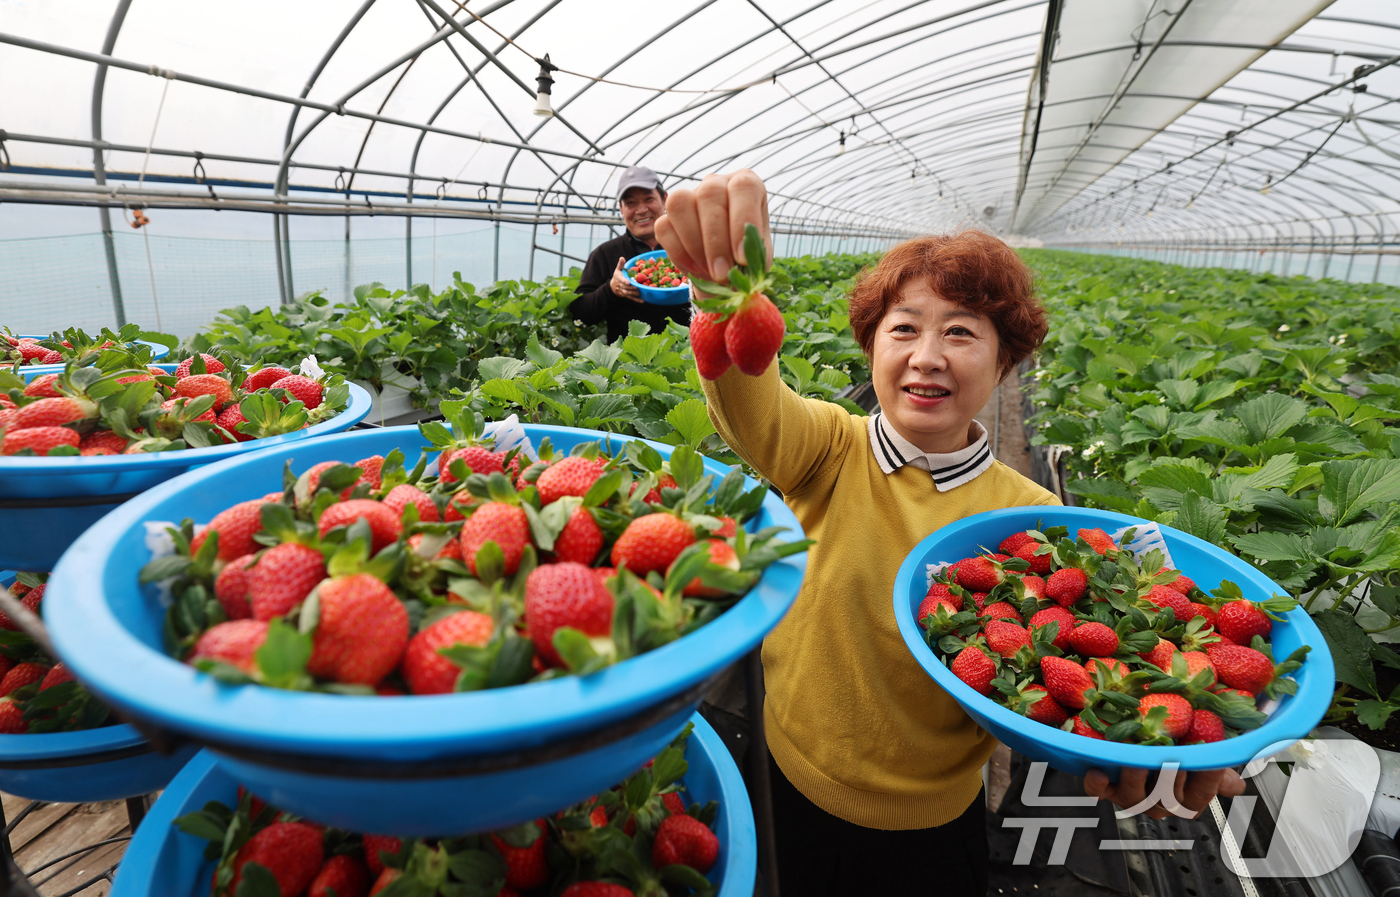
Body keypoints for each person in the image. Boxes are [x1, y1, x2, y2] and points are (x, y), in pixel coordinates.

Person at [654, 170, 1246, 895]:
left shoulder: (1027, 518)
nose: (927, 355)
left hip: (933, 823)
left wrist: (1171, 739)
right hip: (786, 778)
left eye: (960, 333)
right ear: (871, 350)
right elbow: (753, 401)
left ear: (1005, 363)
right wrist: (719, 301)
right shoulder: (828, 449)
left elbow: (1105, 647)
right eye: (903, 328)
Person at [571, 166, 692, 343]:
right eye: (631, 203)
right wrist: (611, 289)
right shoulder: (604, 255)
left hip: (688, 357)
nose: (641, 210)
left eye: (648, 199)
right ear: (621, 209)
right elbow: (580, 315)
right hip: (629, 364)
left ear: (664, 199)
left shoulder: (690, 245)